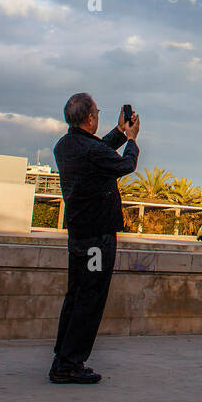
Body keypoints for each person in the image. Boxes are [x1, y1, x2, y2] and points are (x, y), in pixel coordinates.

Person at [49, 94, 139, 385]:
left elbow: (97, 150)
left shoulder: (65, 145)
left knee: (76, 296)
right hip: (97, 239)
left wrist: (120, 133)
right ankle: (70, 364)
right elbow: (124, 166)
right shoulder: (90, 150)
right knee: (90, 299)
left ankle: (63, 357)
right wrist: (133, 140)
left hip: (78, 234)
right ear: (90, 118)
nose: (97, 116)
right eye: (96, 113)